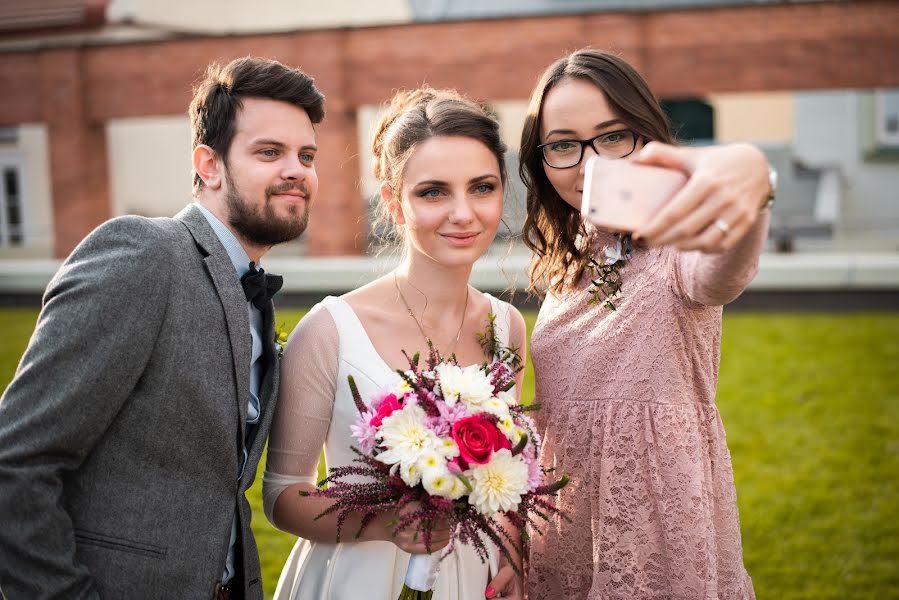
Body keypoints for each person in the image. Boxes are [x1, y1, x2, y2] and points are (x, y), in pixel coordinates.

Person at [0, 56, 324, 600]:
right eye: (270, 152)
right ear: (209, 164)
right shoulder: (142, 252)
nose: (296, 169)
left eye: (306, 155)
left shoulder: (253, 291)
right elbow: (17, 462)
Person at [519, 49, 773, 599]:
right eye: (564, 145)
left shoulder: (679, 245)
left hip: (658, 523)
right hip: (563, 520)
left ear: (648, 139)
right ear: (542, 160)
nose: (591, 166)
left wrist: (751, 181)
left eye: (612, 137)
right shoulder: (568, 259)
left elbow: (725, 269)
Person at [262, 87, 527, 600]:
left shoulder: (505, 326)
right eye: (433, 192)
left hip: (474, 574)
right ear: (394, 202)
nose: (463, 213)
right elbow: (281, 494)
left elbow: (511, 467)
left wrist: (511, 552)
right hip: (358, 576)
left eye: (482, 187)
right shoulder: (331, 329)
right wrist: (385, 522)